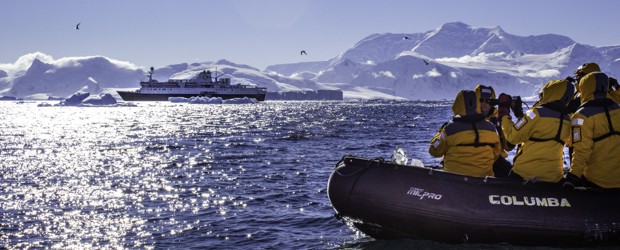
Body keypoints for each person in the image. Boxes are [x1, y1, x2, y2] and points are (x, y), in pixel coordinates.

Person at [498, 79, 573, 182]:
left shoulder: (535, 113)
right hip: (553, 177)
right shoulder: (568, 119)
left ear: (549, 92)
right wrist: (521, 116)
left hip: (524, 174)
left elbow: (513, 136)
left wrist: (504, 114)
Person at [429, 90, 502, 177]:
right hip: (483, 180)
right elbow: (496, 153)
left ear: (457, 105)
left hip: (454, 180)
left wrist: (440, 132)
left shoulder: (449, 129)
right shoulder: (491, 128)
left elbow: (434, 151)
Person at [568, 71, 620, 188]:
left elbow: (581, 150)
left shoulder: (581, 116)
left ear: (584, 88)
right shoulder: (617, 109)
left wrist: (573, 176)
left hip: (598, 180)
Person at [475, 85, 514, 177]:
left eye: (488, 100)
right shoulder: (467, 119)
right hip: (476, 158)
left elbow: (508, 146)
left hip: (496, 159)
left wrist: (502, 129)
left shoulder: (500, 119)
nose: (484, 103)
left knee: (513, 175)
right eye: (481, 100)